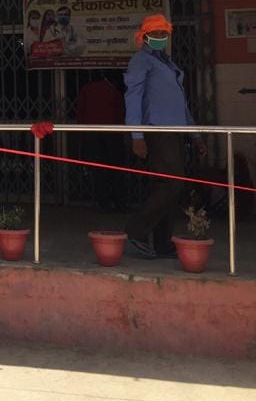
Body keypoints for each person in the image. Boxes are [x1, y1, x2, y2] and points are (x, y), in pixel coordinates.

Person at [123, 14, 206, 259]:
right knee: (172, 183)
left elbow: (181, 105)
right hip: (156, 131)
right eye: (155, 33)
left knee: (169, 187)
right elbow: (133, 97)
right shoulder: (141, 60)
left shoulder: (167, 63)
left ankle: (162, 242)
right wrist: (136, 135)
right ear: (144, 36)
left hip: (175, 132)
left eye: (163, 34)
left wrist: (196, 136)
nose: (160, 37)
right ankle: (135, 230)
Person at [75, 70, 128, 212]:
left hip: (92, 135)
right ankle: (119, 202)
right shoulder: (114, 92)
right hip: (112, 135)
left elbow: (80, 112)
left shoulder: (87, 89)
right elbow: (120, 114)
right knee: (116, 170)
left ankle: (103, 203)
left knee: (98, 171)